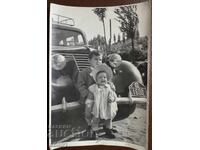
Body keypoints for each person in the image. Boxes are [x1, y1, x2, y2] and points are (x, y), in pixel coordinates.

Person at [86, 64, 118, 139]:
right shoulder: (93, 88)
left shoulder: (109, 87)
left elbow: (114, 96)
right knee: (96, 119)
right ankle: (95, 131)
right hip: (97, 107)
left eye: (105, 77)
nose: (103, 79)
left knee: (108, 118)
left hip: (107, 107)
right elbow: (90, 98)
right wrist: (88, 105)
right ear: (96, 80)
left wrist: (112, 99)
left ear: (107, 79)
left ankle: (108, 130)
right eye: (100, 77)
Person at [77, 50, 103, 138]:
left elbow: (106, 83)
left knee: (97, 114)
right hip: (88, 98)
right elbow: (80, 85)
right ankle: (88, 127)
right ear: (89, 60)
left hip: (100, 97)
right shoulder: (83, 72)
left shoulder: (102, 73)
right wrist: (88, 95)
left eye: (100, 60)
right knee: (88, 113)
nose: (98, 62)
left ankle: (95, 130)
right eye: (96, 59)